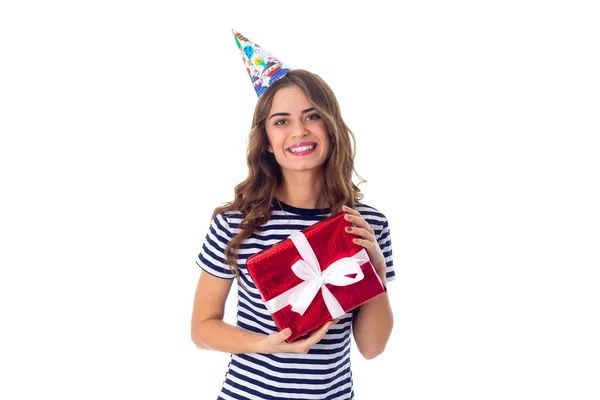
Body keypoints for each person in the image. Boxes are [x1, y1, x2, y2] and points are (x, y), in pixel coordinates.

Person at [191, 30, 395, 400]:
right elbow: (202, 329)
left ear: (331, 127)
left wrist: (375, 270)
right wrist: (267, 344)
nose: (299, 131)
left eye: (311, 116)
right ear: (266, 140)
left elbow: (372, 348)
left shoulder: (366, 224)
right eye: (281, 121)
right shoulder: (235, 223)